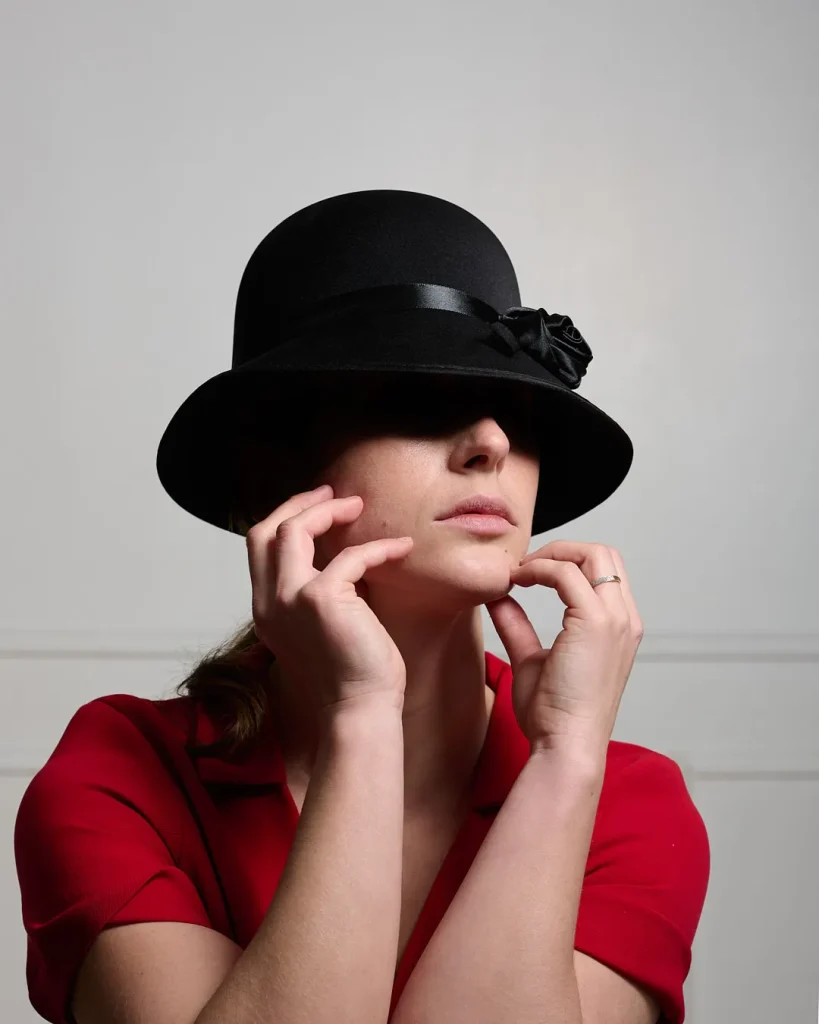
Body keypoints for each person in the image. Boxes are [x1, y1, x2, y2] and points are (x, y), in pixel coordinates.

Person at [14, 189, 710, 1024]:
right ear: (281, 478)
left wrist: (561, 765)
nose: (491, 443)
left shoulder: (627, 798)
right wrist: (362, 714)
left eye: (514, 409)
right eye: (416, 400)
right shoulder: (121, 775)